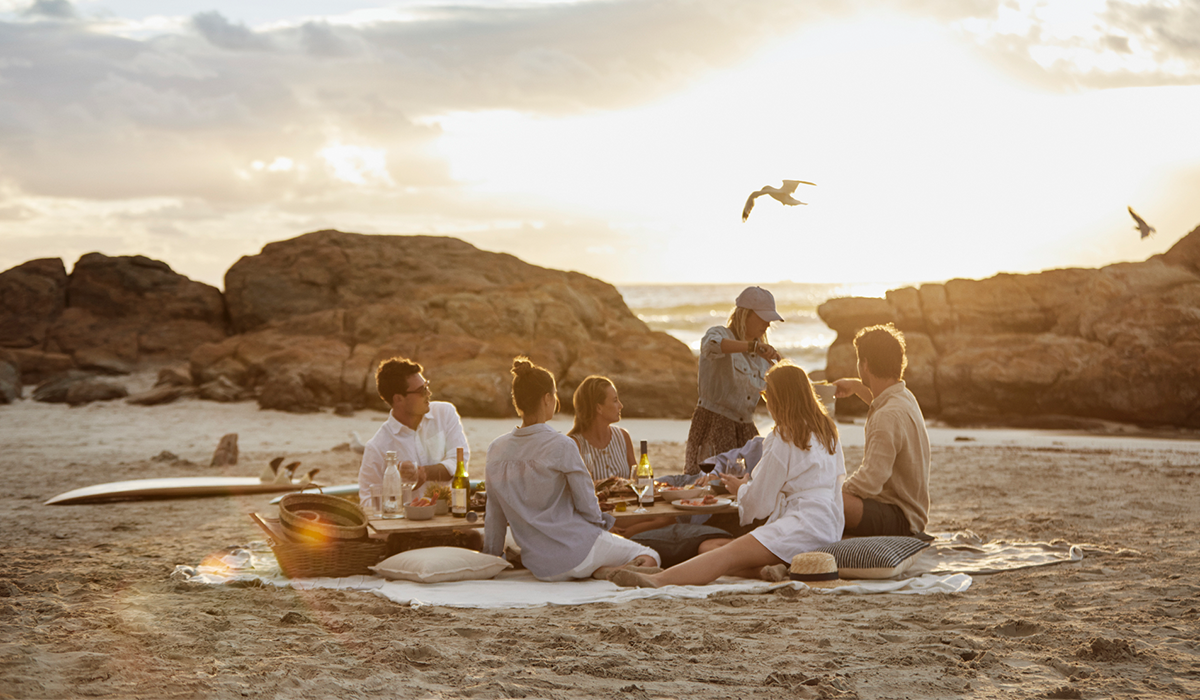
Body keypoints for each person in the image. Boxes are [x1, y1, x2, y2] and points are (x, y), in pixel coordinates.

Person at [610, 362, 845, 587]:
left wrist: (740, 489)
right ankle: (768, 570)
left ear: (780, 397)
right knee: (720, 548)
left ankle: (658, 580)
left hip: (801, 525)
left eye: (766, 396)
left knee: (726, 555)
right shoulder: (828, 432)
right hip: (828, 525)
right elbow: (837, 485)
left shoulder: (784, 435)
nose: (766, 402)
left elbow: (761, 501)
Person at [482, 357, 661, 581]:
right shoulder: (561, 444)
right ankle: (602, 569)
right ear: (547, 398)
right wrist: (601, 532)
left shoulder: (495, 449)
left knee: (600, 553)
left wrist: (491, 559)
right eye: (554, 394)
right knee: (650, 555)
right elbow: (587, 505)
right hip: (579, 550)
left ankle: (601, 571)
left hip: (541, 567)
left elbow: (494, 516)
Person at [833, 324, 931, 538]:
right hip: (913, 514)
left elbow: (870, 481)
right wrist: (857, 387)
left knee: (824, 502)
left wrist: (836, 493)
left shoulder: (886, 417)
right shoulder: (904, 397)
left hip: (900, 519)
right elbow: (881, 405)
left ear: (865, 364)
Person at [684, 286, 783, 475]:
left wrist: (780, 367)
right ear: (745, 314)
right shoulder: (719, 334)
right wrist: (752, 346)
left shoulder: (762, 355)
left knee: (746, 486)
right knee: (708, 486)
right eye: (764, 318)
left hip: (746, 429)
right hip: (714, 424)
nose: (768, 324)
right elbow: (711, 346)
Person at [357, 357, 470, 506]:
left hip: (450, 517)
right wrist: (399, 490)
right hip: (409, 526)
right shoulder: (377, 447)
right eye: (421, 390)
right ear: (398, 399)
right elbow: (367, 501)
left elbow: (459, 460)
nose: (428, 393)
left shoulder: (445, 413)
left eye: (427, 386)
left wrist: (423, 473)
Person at [567, 375, 636, 481]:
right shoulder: (575, 445)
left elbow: (637, 481)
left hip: (626, 498)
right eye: (614, 400)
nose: (620, 405)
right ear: (598, 408)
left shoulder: (623, 437)